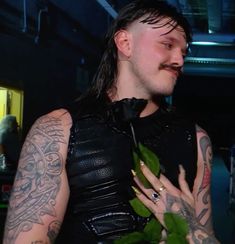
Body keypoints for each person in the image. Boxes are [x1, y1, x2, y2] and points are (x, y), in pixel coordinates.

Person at [3, 0, 219, 243]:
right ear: (125, 43)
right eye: (168, 44)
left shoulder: (197, 139)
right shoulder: (57, 130)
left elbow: (205, 236)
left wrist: (189, 226)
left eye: (183, 51)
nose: (179, 60)